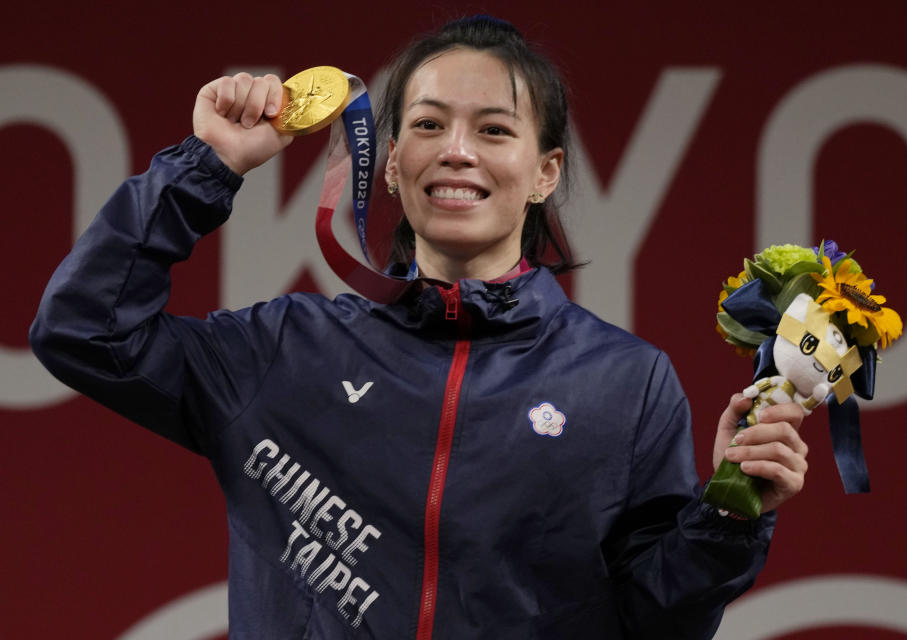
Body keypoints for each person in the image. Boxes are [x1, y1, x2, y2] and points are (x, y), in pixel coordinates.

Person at [31, 16, 808, 640]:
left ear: (547, 172)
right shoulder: (286, 351)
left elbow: (656, 619)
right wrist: (208, 165)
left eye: (496, 131)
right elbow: (83, 331)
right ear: (393, 161)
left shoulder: (624, 381)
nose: (458, 151)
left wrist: (729, 518)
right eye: (430, 125)